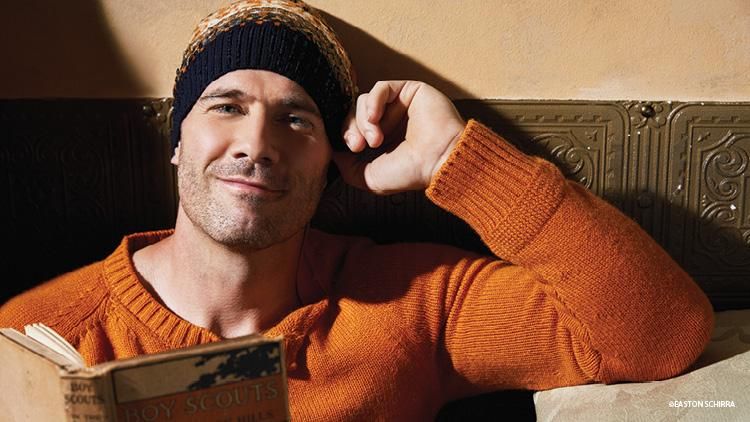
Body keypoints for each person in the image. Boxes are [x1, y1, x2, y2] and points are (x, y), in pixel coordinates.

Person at [0, 0, 713, 419]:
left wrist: (456, 160)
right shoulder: (36, 335)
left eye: (296, 120)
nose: (258, 144)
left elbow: (659, 334)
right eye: (226, 107)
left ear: (332, 162)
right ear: (177, 143)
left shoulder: (413, 306)